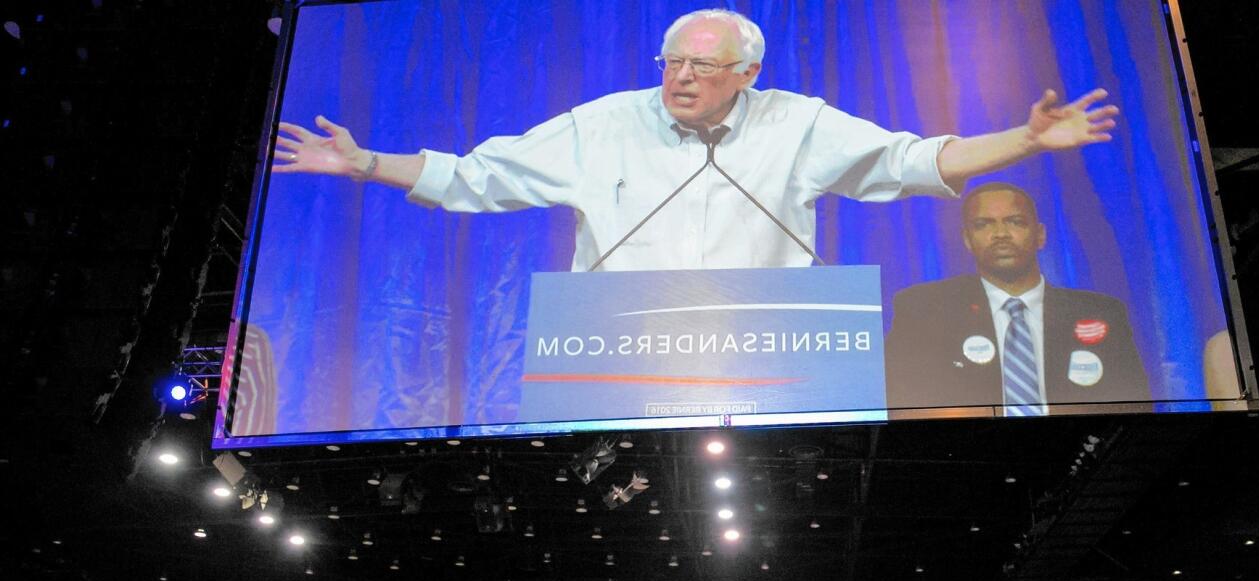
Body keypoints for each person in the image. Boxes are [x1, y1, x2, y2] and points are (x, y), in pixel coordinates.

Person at [272, 9, 1118, 272]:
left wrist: (1028, 141)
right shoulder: (604, 122)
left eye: (702, 66)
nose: (680, 77)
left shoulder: (799, 121)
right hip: (618, 357)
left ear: (745, 73)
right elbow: (474, 177)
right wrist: (363, 162)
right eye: (671, 61)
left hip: (769, 360)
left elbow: (918, 161)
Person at [885, 182, 1151, 415]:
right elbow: (901, 405)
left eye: (1015, 221)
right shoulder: (923, 310)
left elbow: (1135, 408)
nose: (1000, 234)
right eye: (983, 224)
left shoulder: (1102, 312)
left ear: (1040, 235)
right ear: (967, 239)